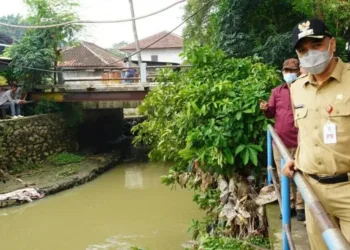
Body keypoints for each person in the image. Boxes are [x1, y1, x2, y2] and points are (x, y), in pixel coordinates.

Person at [283, 19, 350, 249]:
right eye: (303, 49)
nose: (309, 53)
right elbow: (306, 131)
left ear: (332, 44)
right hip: (312, 190)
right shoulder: (297, 89)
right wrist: (297, 159)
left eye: (316, 45)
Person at [260, 58, 305, 221]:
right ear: (282, 72)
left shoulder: (305, 89)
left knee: (301, 173)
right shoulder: (277, 92)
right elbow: (271, 113)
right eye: (286, 71)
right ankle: (289, 205)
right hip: (280, 141)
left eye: (292, 71)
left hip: (300, 140)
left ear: (299, 71)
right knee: (282, 175)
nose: (289, 74)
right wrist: (265, 109)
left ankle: (301, 206)